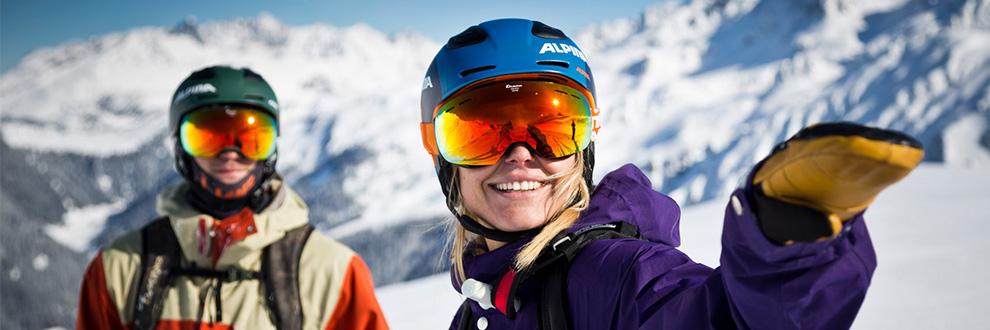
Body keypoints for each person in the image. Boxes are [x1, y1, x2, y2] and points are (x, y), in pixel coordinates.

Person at [418, 19, 924, 329]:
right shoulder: (480, 308)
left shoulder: (612, 277)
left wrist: (787, 249)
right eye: (481, 133)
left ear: (586, 145)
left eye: (554, 127)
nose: (521, 154)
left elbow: (716, 319)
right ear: (439, 154)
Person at [77, 66, 388, 330]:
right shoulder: (118, 270)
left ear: (273, 148)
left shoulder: (332, 273)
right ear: (180, 147)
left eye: (252, 138)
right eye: (209, 136)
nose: (230, 154)